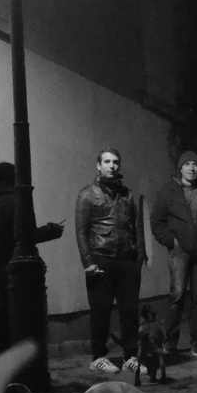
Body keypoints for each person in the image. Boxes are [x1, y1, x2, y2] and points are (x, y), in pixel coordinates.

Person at [74, 148, 147, 375]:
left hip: (127, 260)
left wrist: (139, 258)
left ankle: (130, 357)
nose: (111, 166)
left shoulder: (128, 195)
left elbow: (138, 228)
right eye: (106, 161)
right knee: (101, 311)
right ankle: (98, 356)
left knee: (129, 312)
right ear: (98, 165)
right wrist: (88, 262)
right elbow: (81, 231)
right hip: (100, 258)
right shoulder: (87, 195)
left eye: (115, 162)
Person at [0, 162, 65, 354]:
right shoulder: (17, 201)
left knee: (3, 316)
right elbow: (24, 236)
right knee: (22, 315)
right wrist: (51, 230)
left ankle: (4, 358)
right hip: (15, 263)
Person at [150, 150, 197, 357]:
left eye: (195, 165)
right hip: (179, 252)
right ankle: (171, 341)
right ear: (180, 168)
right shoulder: (168, 192)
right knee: (177, 296)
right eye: (188, 164)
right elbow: (157, 221)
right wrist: (171, 241)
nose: (192, 168)